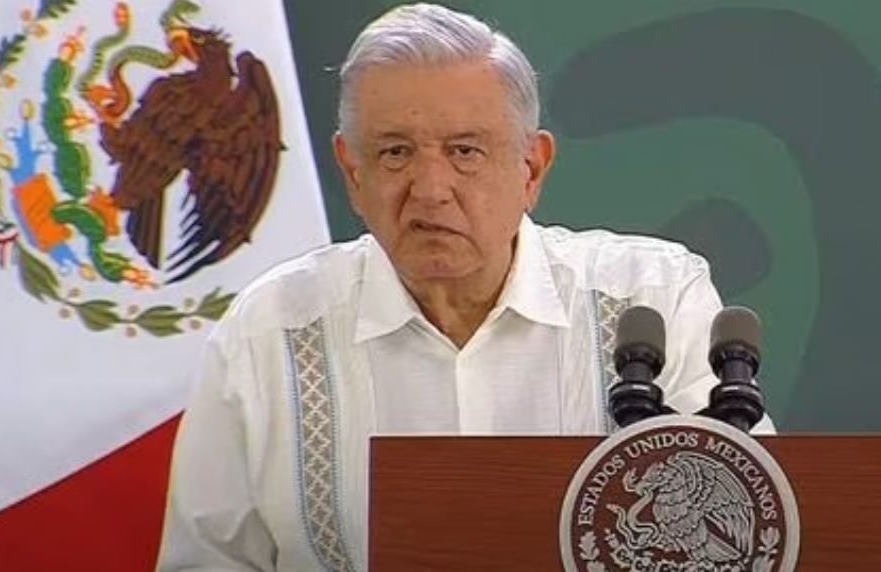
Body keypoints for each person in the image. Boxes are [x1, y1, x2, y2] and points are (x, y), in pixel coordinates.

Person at [156, 3, 775, 570]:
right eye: (395, 153)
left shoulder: (654, 300)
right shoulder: (269, 333)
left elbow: (749, 533)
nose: (430, 189)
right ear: (352, 172)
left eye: (465, 152)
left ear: (532, 169)